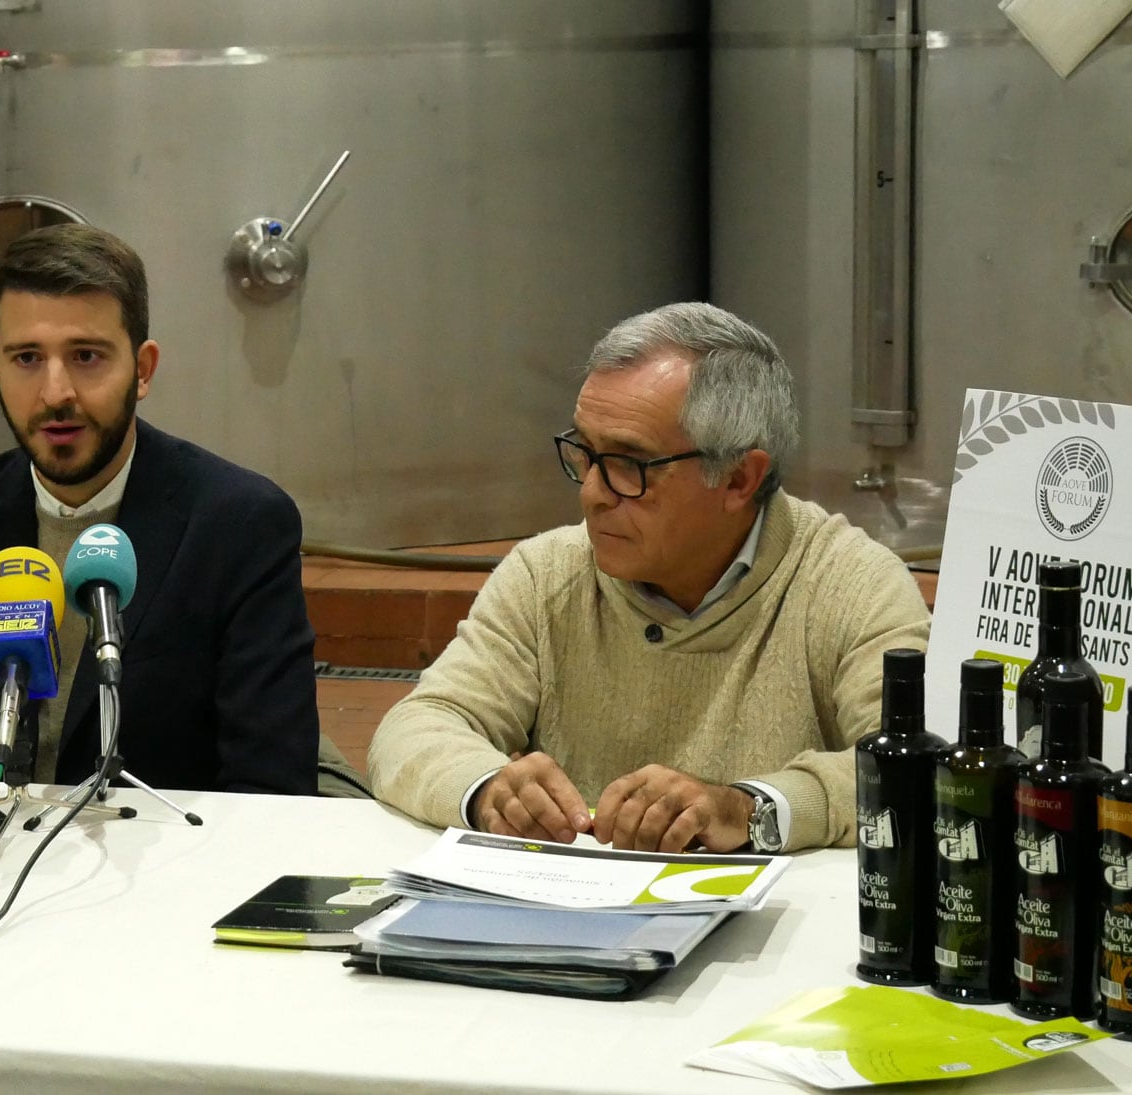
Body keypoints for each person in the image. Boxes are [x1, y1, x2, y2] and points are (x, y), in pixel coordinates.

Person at [368, 303, 930, 853]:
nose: (591, 493)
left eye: (628, 465)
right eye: (584, 454)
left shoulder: (853, 583)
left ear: (739, 478)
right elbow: (419, 725)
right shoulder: (547, 575)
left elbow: (919, 771)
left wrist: (747, 809)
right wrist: (487, 788)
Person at [0, 224, 325, 795]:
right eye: (27, 358)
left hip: (163, 866)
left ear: (144, 369)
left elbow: (271, 788)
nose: (55, 392)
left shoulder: (239, 525)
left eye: (86, 356)